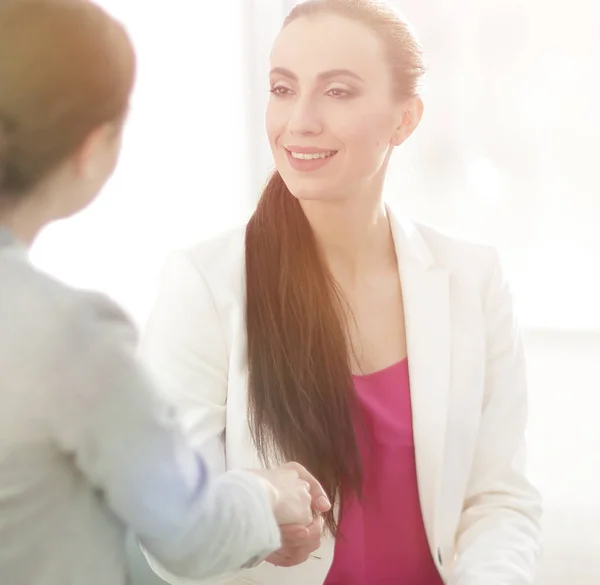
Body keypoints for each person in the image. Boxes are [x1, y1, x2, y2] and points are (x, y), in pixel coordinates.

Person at [140, 0, 542, 584]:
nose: (299, 119)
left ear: (404, 119)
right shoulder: (205, 284)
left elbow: (499, 500)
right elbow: (170, 534)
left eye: (338, 92)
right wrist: (256, 506)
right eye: (283, 88)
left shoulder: (473, 279)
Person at [0, 2, 331, 585]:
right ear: (91, 148)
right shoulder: (68, 338)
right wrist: (268, 494)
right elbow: (188, 533)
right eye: (282, 88)